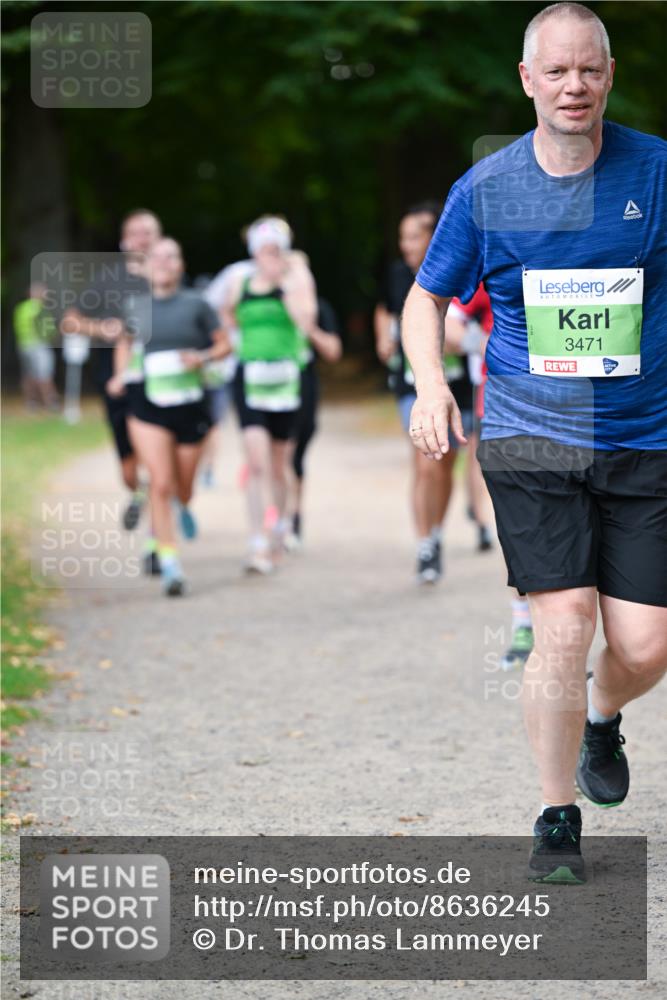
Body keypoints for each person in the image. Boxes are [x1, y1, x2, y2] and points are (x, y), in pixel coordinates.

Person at [402, 2, 666, 883]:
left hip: (644, 439)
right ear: (527, 80)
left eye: (587, 69)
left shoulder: (656, 170)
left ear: (608, 74)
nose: (573, 85)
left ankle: (602, 712)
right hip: (531, 436)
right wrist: (432, 382)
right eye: (555, 70)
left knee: (644, 646)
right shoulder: (486, 188)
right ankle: (556, 816)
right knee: (563, 621)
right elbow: (424, 299)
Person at [112, 237, 230, 596]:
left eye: (170, 257)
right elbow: (124, 343)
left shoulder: (198, 304)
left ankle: (183, 506)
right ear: (146, 266)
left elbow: (225, 344)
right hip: (147, 405)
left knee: (183, 487)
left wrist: (203, 357)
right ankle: (170, 565)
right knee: (160, 483)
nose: (163, 263)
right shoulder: (134, 305)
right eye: (156, 257)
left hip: (190, 404)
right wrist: (120, 375)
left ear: (180, 265)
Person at [375, 203, 477, 585]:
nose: (406, 245)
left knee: (448, 463)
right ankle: (424, 542)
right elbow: (385, 309)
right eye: (403, 237)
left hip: (460, 385)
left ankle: (436, 532)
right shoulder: (399, 274)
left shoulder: (462, 268)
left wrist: (464, 340)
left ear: (435, 237)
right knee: (425, 460)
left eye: (414, 236)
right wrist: (382, 338)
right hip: (412, 384)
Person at [445, 286, 534, 669]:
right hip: (503, 403)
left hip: (580, 402)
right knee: (519, 521)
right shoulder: (495, 258)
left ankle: (566, 636)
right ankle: (525, 627)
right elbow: (448, 328)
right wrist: (488, 342)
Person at [223, 217, 318, 574]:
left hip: (286, 380)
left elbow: (306, 322)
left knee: (279, 464)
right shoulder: (239, 281)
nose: (269, 256)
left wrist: (285, 284)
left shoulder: (296, 280)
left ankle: (280, 526)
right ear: (253, 253)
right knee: (256, 461)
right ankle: (257, 540)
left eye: (275, 249)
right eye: (263, 250)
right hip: (249, 376)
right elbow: (225, 314)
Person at [60, 210, 162, 537]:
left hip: (159, 378)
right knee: (129, 467)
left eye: (148, 232)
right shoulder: (107, 279)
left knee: (156, 455)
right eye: (136, 233)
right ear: (123, 240)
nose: (142, 239)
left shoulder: (167, 278)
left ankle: (159, 532)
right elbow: (70, 321)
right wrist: (102, 327)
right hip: (116, 380)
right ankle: (139, 493)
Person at [285, 295, 343, 550]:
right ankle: (280, 521)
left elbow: (333, 351)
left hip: (302, 387)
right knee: (277, 455)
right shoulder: (260, 301)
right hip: (264, 390)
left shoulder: (319, 306)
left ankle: (294, 518)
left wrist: (309, 329)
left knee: (293, 457)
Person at [13, 282, 58, 409]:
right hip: (39, 345)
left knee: (28, 374)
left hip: (23, 345)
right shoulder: (40, 309)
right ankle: (50, 403)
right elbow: (48, 331)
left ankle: (31, 402)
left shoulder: (21, 308)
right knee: (45, 374)